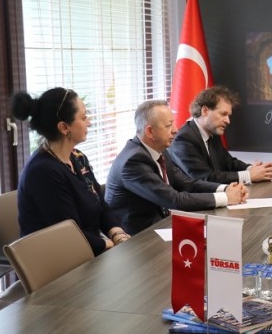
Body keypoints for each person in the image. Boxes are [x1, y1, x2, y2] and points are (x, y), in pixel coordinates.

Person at [11, 88, 130, 256]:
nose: (89, 122)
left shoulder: (77, 157)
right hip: (60, 260)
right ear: (64, 127)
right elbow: (70, 234)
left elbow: (100, 205)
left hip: (89, 250)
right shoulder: (43, 172)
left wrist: (118, 234)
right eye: (83, 117)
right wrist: (110, 244)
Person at [105, 100, 248, 234]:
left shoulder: (160, 150)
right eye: (168, 126)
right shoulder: (133, 162)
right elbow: (174, 200)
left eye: (173, 123)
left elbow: (187, 183)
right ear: (149, 132)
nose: (175, 130)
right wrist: (226, 198)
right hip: (138, 237)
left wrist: (226, 189)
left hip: (162, 224)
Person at [170, 86, 272, 183]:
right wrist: (249, 175)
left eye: (228, 115)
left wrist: (252, 169)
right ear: (205, 111)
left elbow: (228, 163)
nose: (228, 121)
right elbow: (205, 178)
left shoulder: (212, 132)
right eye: (223, 114)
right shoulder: (183, 139)